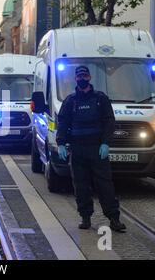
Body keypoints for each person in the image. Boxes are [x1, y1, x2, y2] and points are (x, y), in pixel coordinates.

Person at [56, 65, 126, 232]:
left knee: (105, 185)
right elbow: (63, 123)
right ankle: (85, 217)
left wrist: (105, 142)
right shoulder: (70, 101)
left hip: (97, 150)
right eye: (79, 77)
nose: (82, 79)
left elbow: (109, 121)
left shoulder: (100, 99)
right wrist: (60, 143)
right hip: (78, 150)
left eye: (84, 76)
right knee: (80, 185)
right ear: (76, 79)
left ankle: (114, 219)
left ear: (89, 78)